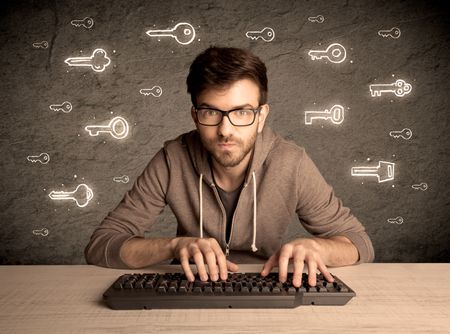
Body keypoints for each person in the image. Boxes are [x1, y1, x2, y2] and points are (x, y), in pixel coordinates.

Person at [85, 46, 374, 288]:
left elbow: (360, 244)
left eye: (242, 112)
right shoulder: (172, 158)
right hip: (189, 285)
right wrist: (174, 246)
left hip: (266, 286)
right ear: (195, 116)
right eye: (211, 112)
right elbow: (101, 246)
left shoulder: (291, 162)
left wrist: (317, 248)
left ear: (261, 116)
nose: (225, 130)